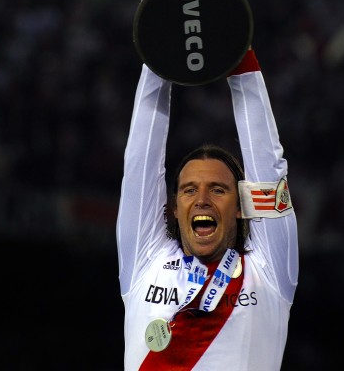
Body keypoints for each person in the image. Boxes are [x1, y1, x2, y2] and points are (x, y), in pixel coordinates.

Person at [117, 47, 298, 370]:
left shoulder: (269, 272)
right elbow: (139, 167)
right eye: (189, 190)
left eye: (218, 189)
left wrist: (239, 54)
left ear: (242, 206)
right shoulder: (146, 262)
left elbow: (268, 164)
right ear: (173, 207)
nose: (202, 199)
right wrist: (158, 53)